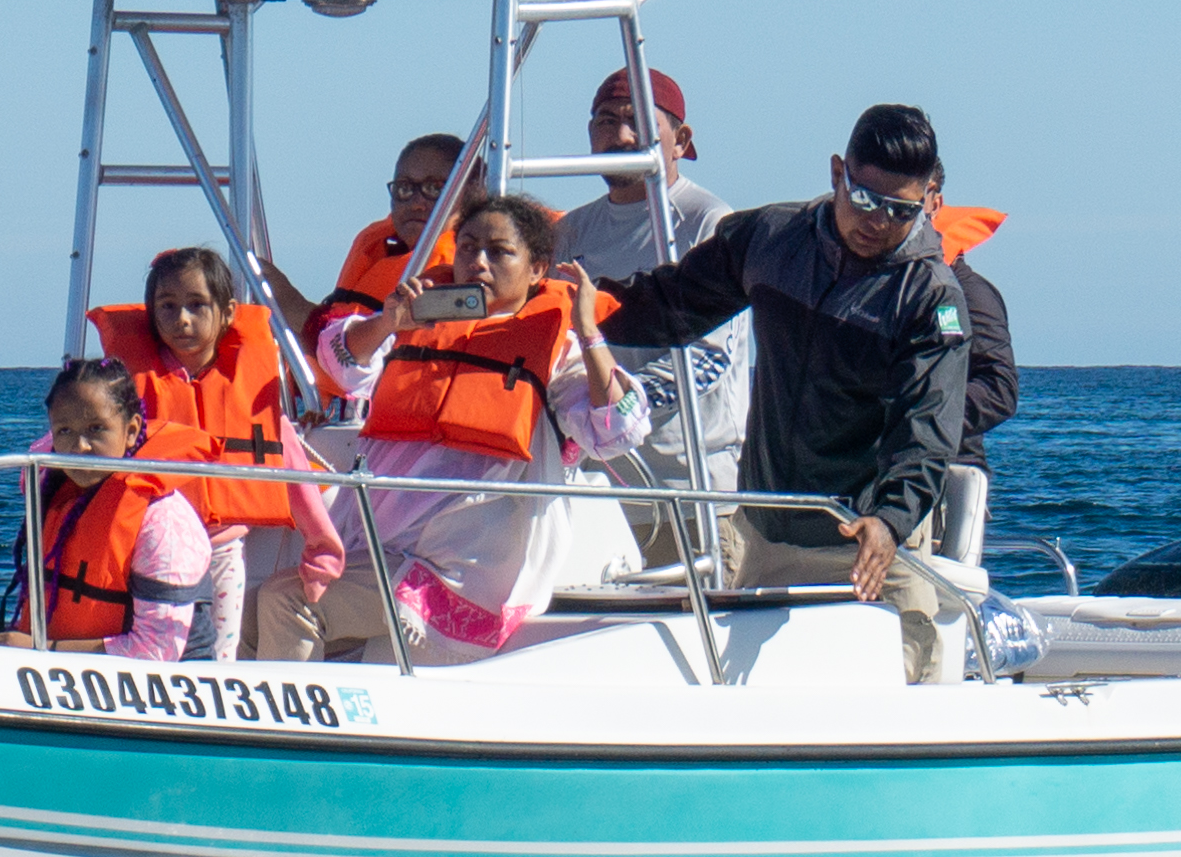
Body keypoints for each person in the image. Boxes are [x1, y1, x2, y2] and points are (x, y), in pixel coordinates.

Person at [592, 104, 1015, 677]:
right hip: (769, 530)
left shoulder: (931, 297)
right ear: (838, 172)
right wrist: (588, 308)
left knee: (897, 699)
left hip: (871, 544)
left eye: (901, 210)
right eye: (865, 199)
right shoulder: (771, 237)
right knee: (750, 700)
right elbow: (668, 306)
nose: (878, 222)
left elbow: (929, 426)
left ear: (926, 201)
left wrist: (890, 520)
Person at [304, 191, 642, 656]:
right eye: (467, 248)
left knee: (290, 604)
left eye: (499, 252)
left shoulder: (556, 349)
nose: (478, 263)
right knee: (267, 606)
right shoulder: (415, 319)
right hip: (380, 544)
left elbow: (616, 430)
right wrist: (387, 321)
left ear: (538, 268)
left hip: (465, 566)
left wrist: (587, 331)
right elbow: (339, 359)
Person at [80, 244, 341, 658]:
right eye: (167, 306)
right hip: (152, 548)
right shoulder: (130, 392)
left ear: (228, 312)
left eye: (197, 305)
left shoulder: (254, 396)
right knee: (153, 647)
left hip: (222, 549)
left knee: (219, 656)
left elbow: (295, 475)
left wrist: (321, 551)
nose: (182, 319)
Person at [548, 66, 746, 565]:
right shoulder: (570, 233)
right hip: (591, 493)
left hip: (689, 495)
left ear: (680, 139)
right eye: (605, 121)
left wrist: (618, 409)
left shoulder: (708, 222)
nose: (620, 137)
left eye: (636, 121)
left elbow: (708, 360)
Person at [0, 357, 227, 660]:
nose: (80, 447)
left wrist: (40, 649)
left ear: (130, 431)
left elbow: (156, 651)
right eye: (65, 431)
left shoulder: (165, 523)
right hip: (61, 667)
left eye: (96, 429)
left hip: (167, 683)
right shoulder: (55, 491)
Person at [275, 133, 484, 407]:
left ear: (471, 194)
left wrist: (286, 301)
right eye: (404, 189)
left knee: (264, 282)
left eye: (434, 189)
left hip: (397, 411)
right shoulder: (375, 247)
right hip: (334, 410)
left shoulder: (464, 272)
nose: (416, 202)